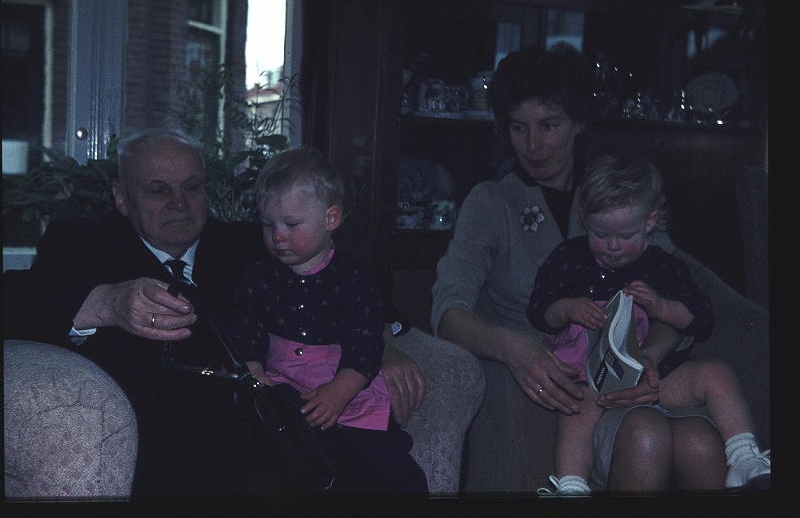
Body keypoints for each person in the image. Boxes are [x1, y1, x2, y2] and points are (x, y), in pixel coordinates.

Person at [2, 127, 426, 496]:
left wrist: (383, 346)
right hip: (154, 438)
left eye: (192, 187)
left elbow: (350, 288)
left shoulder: (251, 244)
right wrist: (107, 302)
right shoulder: (81, 241)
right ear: (122, 197)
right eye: (157, 190)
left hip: (264, 428)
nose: (179, 202)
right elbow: (16, 300)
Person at [430, 43, 729, 492]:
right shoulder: (492, 203)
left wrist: (650, 359)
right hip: (562, 392)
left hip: (639, 377)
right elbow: (448, 311)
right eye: (518, 128)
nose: (533, 145)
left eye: (549, 126)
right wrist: (510, 347)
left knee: (702, 443)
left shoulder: (619, 196)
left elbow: (676, 293)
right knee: (647, 436)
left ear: (578, 123)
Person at [526, 155, 770, 495]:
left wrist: (661, 306)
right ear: (583, 219)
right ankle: (571, 487)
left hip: (655, 375)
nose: (612, 246)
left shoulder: (662, 266)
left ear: (650, 223)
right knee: (575, 413)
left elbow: (700, 317)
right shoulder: (568, 258)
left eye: (625, 235)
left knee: (716, 374)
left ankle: (744, 458)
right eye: (600, 234)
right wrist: (567, 308)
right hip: (587, 379)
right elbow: (538, 310)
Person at [227, 146, 428, 494]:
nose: (277, 235)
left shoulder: (353, 278)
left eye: (291, 224)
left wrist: (340, 391)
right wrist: (254, 370)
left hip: (346, 385)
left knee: (397, 472)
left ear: (331, 219)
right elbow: (247, 328)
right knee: (296, 454)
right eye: (267, 223)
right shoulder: (257, 275)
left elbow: (366, 343)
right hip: (283, 385)